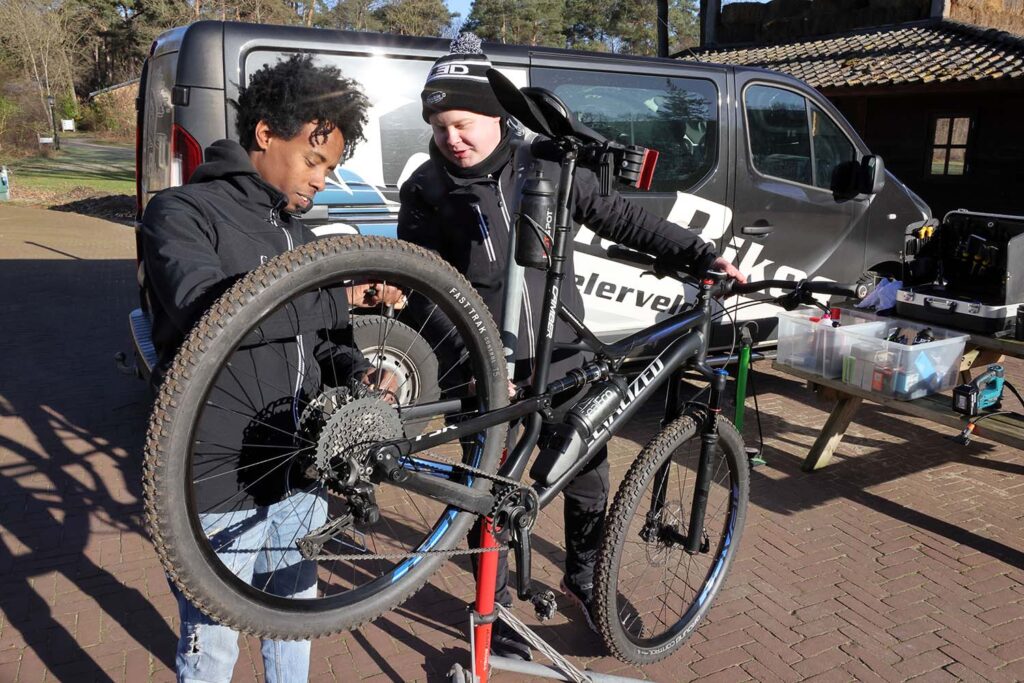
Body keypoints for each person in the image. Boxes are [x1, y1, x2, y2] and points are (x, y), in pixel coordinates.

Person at [397, 34, 745, 660]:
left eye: (465, 122)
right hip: (486, 366)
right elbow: (420, 284)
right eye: (441, 124)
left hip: (564, 355)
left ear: (497, 116)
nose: (454, 137)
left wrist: (698, 254)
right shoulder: (426, 187)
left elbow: (621, 217)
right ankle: (492, 603)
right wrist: (465, 360)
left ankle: (583, 577)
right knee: (492, 490)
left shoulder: (546, 166)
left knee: (585, 473)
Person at [141, 54, 397, 682]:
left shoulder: (298, 236)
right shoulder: (181, 213)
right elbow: (211, 312)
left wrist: (356, 371)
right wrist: (342, 294)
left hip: (298, 468)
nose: (322, 181)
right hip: (215, 477)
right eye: (315, 161)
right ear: (264, 136)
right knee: (215, 638)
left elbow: (323, 340)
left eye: (331, 168)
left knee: (294, 618)